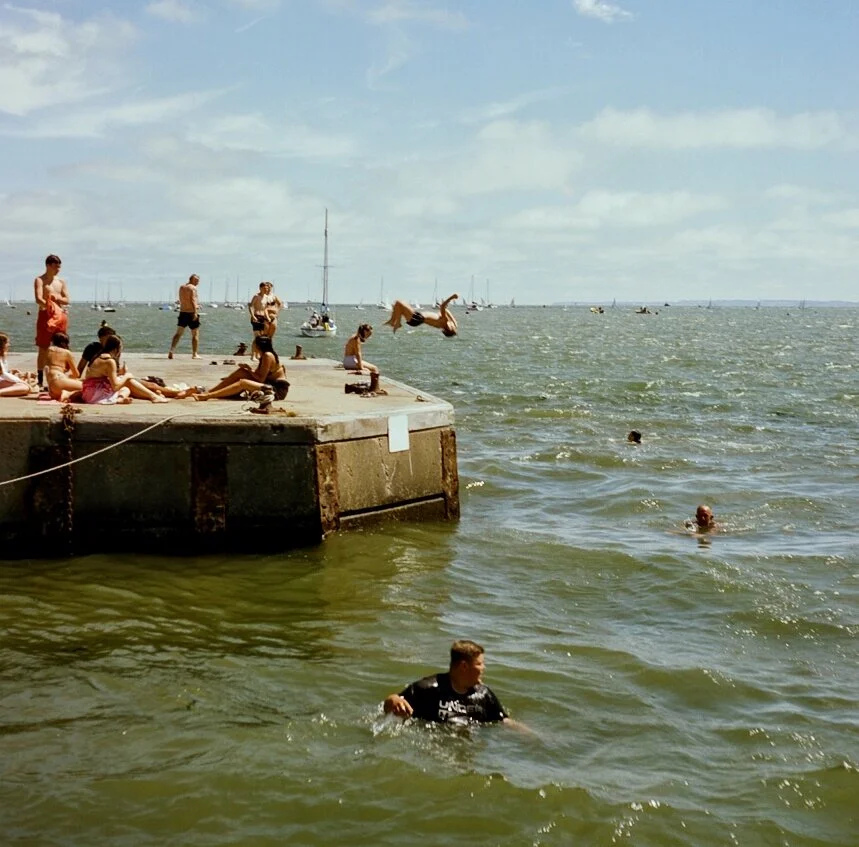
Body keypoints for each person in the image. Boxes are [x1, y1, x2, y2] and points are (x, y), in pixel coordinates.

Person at [382, 640, 511, 726]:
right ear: (464, 666)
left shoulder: (483, 694)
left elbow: (503, 721)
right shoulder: (428, 688)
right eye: (479, 664)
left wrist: (529, 737)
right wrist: (393, 700)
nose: (484, 668)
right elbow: (389, 705)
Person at [194, 336, 289, 401]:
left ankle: (208, 396)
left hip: (276, 390)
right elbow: (258, 375)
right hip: (268, 385)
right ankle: (211, 391)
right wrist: (247, 369)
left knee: (243, 382)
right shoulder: (265, 355)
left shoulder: (268, 355)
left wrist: (249, 369)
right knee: (241, 372)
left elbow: (260, 379)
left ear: (258, 345)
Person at [84, 335, 169, 404]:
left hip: (88, 392)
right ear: (116, 349)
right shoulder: (110, 361)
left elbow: (101, 375)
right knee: (128, 381)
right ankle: (153, 396)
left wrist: (120, 373)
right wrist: (127, 376)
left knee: (126, 389)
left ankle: (121, 399)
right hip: (95, 394)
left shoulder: (99, 356)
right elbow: (115, 387)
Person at [34, 254, 70, 387]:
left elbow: (67, 299)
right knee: (43, 347)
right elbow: (38, 298)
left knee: (61, 346)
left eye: (59, 267)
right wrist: (49, 306)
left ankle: (61, 376)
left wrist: (57, 299)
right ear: (48, 265)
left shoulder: (61, 282)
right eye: (56, 266)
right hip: (45, 314)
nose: (58, 269)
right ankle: (40, 379)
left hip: (59, 315)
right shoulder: (40, 280)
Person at [384, 293, 459, 337]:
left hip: (417, 318)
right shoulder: (443, 323)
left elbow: (443, 307)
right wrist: (454, 323)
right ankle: (393, 321)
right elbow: (447, 311)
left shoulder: (444, 321)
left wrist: (452, 297)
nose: (452, 324)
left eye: (453, 326)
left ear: (449, 328)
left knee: (398, 302)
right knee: (397, 306)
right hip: (416, 319)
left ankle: (396, 323)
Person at [168, 274, 201, 359]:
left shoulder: (182, 287)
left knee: (178, 333)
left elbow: (182, 300)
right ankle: (194, 354)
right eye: (197, 280)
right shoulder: (193, 288)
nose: (198, 282)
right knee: (195, 334)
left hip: (183, 312)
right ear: (192, 280)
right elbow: (193, 300)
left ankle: (171, 350)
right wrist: (195, 312)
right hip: (191, 312)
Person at [43, 332, 83, 401]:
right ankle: (67, 394)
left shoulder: (49, 350)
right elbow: (76, 374)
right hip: (59, 379)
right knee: (88, 387)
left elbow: (46, 367)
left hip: (52, 386)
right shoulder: (67, 352)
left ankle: (64, 394)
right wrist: (70, 376)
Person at [0, 332, 33, 397]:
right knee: (25, 387)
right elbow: (3, 374)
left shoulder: (2, 356)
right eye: (7, 343)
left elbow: (3, 372)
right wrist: (20, 381)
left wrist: (11, 372)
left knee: (24, 386)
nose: (9, 344)